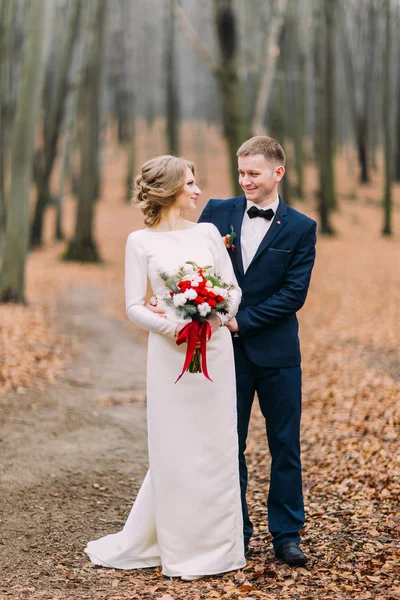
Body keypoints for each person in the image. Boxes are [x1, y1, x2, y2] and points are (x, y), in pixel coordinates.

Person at [84, 155, 245, 580]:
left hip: (215, 350)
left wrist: (209, 318)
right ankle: (177, 545)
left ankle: (219, 548)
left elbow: (231, 290)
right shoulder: (140, 242)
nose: (197, 191)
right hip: (170, 355)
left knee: (216, 447)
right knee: (175, 447)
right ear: (171, 188)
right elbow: (135, 306)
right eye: (190, 183)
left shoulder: (209, 232)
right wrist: (171, 324)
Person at [198, 136, 317, 566]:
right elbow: (196, 268)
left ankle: (287, 534)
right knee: (229, 444)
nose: (245, 180)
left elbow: (293, 294)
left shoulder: (302, 227)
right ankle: (237, 531)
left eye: (254, 173)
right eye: (241, 172)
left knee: (284, 444)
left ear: (277, 173)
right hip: (225, 355)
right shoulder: (216, 213)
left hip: (279, 355)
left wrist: (240, 322)